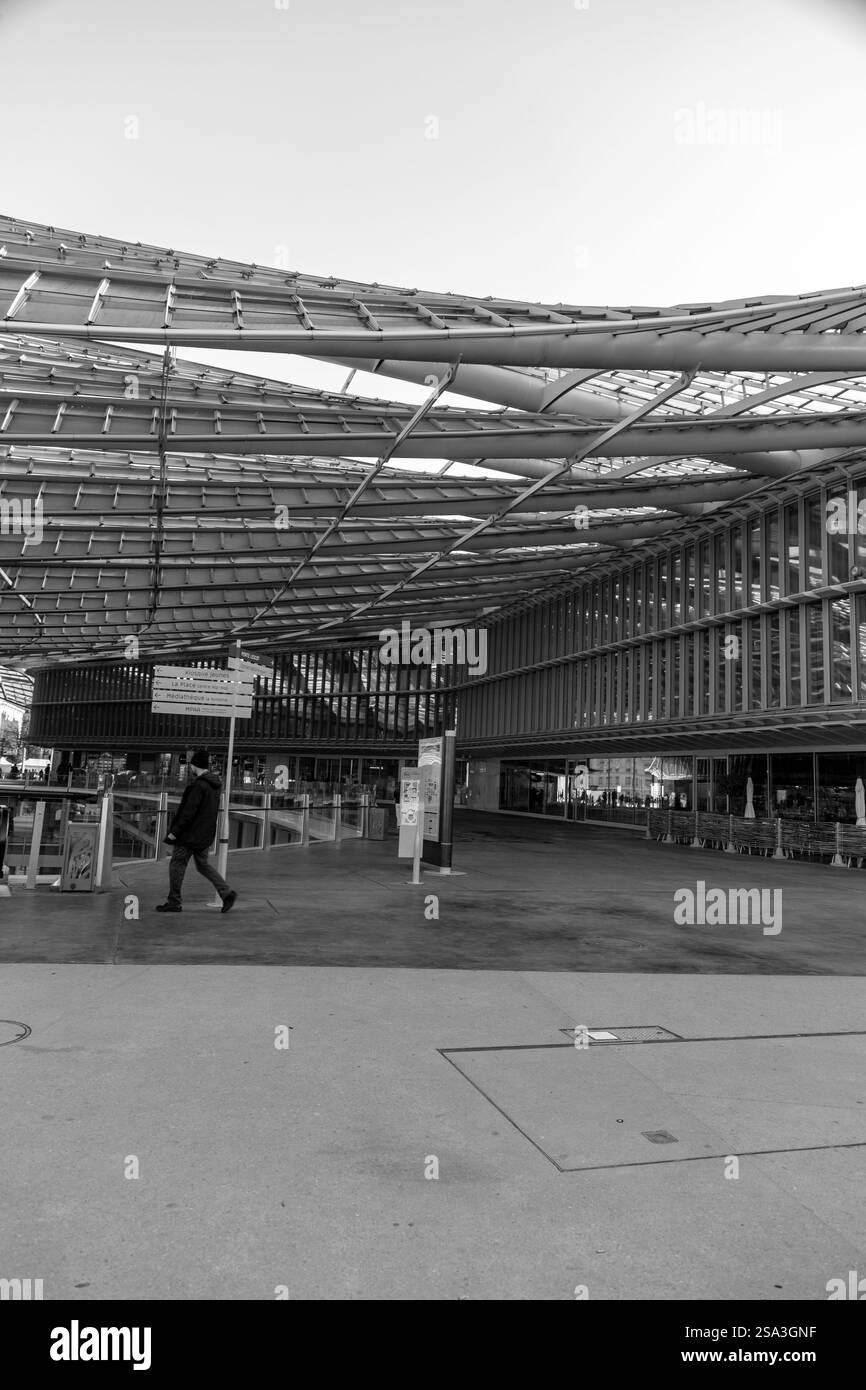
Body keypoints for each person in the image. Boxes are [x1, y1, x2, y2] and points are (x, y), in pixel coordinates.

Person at [156, 748, 237, 914]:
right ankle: (226, 893)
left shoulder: (198, 786)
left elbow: (188, 812)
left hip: (189, 836)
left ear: (195, 766)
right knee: (203, 866)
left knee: (177, 865)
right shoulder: (214, 786)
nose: (190, 768)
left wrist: (175, 832)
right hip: (204, 835)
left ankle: (174, 902)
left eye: (191, 765)